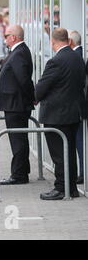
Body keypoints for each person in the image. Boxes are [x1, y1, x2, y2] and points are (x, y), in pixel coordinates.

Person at [35, 28, 86, 200]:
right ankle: (71, 188)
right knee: (69, 152)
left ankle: (61, 188)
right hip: (73, 113)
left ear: (53, 42)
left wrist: (34, 98)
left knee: (59, 154)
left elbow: (43, 86)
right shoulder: (78, 58)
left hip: (57, 114)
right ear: (69, 41)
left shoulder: (56, 61)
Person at [0, 25, 35, 185]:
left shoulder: (19, 52)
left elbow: (24, 80)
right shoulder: (19, 51)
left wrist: (32, 97)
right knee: (18, 139)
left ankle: (19, 174)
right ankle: (22, 171)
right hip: (14, 103)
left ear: (14, 37)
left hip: (16, 105)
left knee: (17, 140)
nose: (5, 39)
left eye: (6, 35)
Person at [68, 30, 84, 184]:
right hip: (78, 105)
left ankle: (83, 172)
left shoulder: (76, 56)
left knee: (80, 140)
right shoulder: (78, 54)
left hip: (77, 106)